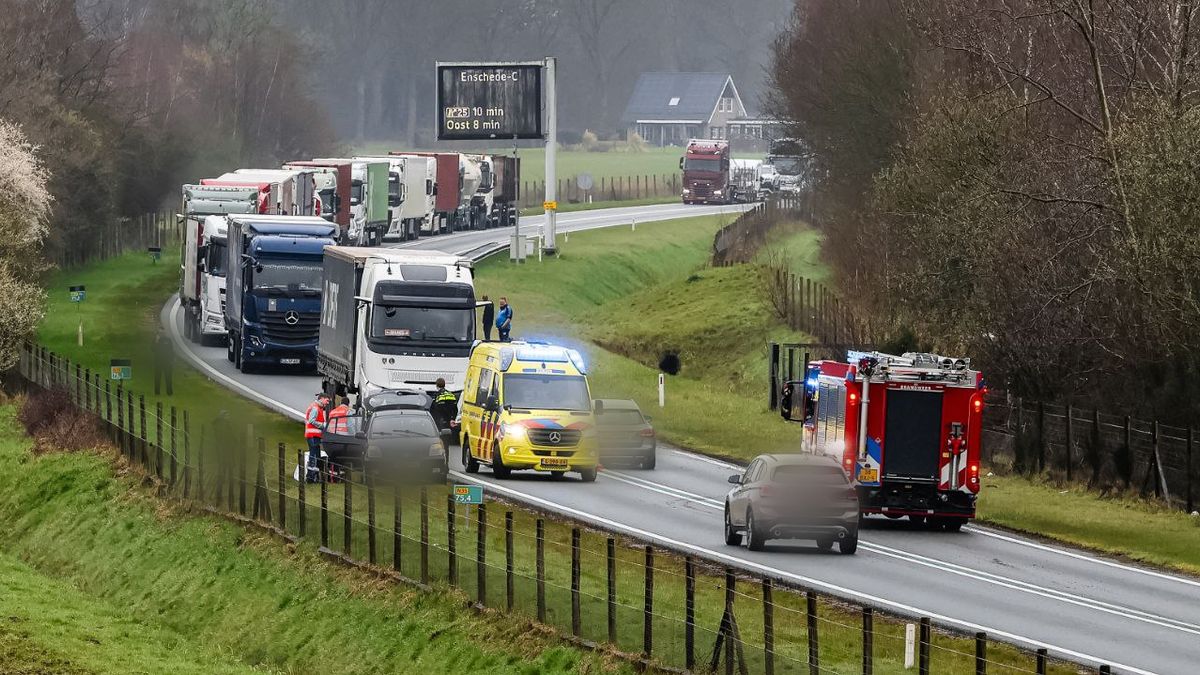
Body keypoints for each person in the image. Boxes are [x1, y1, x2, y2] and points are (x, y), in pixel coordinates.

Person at [305, 392, 332, 482]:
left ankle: (314, 477)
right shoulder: (315, 408)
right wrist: (323, 425)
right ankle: (311, 478)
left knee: (316, 456)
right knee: (313, 456)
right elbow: (312, 420)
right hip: (313, 435)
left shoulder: (318, 408)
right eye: (327, 400)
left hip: (314, 435)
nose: (328, 403)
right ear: (322, 398)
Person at [153, 326, 174, 396]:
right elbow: (152, 349)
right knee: (157, 377)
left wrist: (172, 360)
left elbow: (171, 351)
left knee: (168, 377)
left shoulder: (168, 340)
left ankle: (169, 392)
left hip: (167, 362)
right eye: (160, 332)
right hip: (158, 361)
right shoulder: (156, 340)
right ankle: (157, 392)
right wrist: (156, 341)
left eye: (162, 332)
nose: (161, 334)